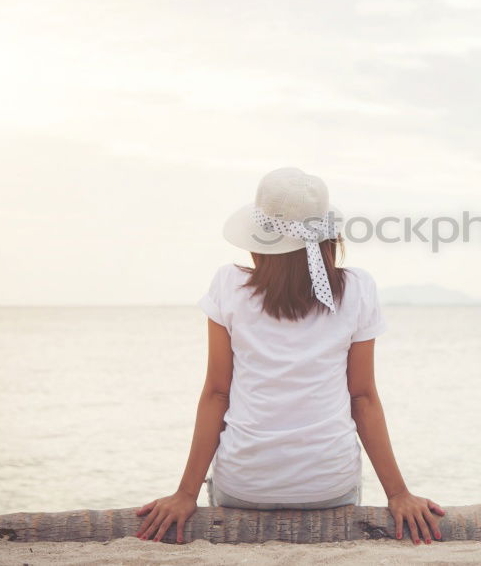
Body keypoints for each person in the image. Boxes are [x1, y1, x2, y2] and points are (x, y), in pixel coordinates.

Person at [135, 166, 445, 545]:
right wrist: (398, 494)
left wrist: (185, 494)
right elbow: (362, 396)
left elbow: (217, 392)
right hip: (327, 487)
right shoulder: (358, 289)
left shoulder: (228, 285)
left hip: (245, 485)